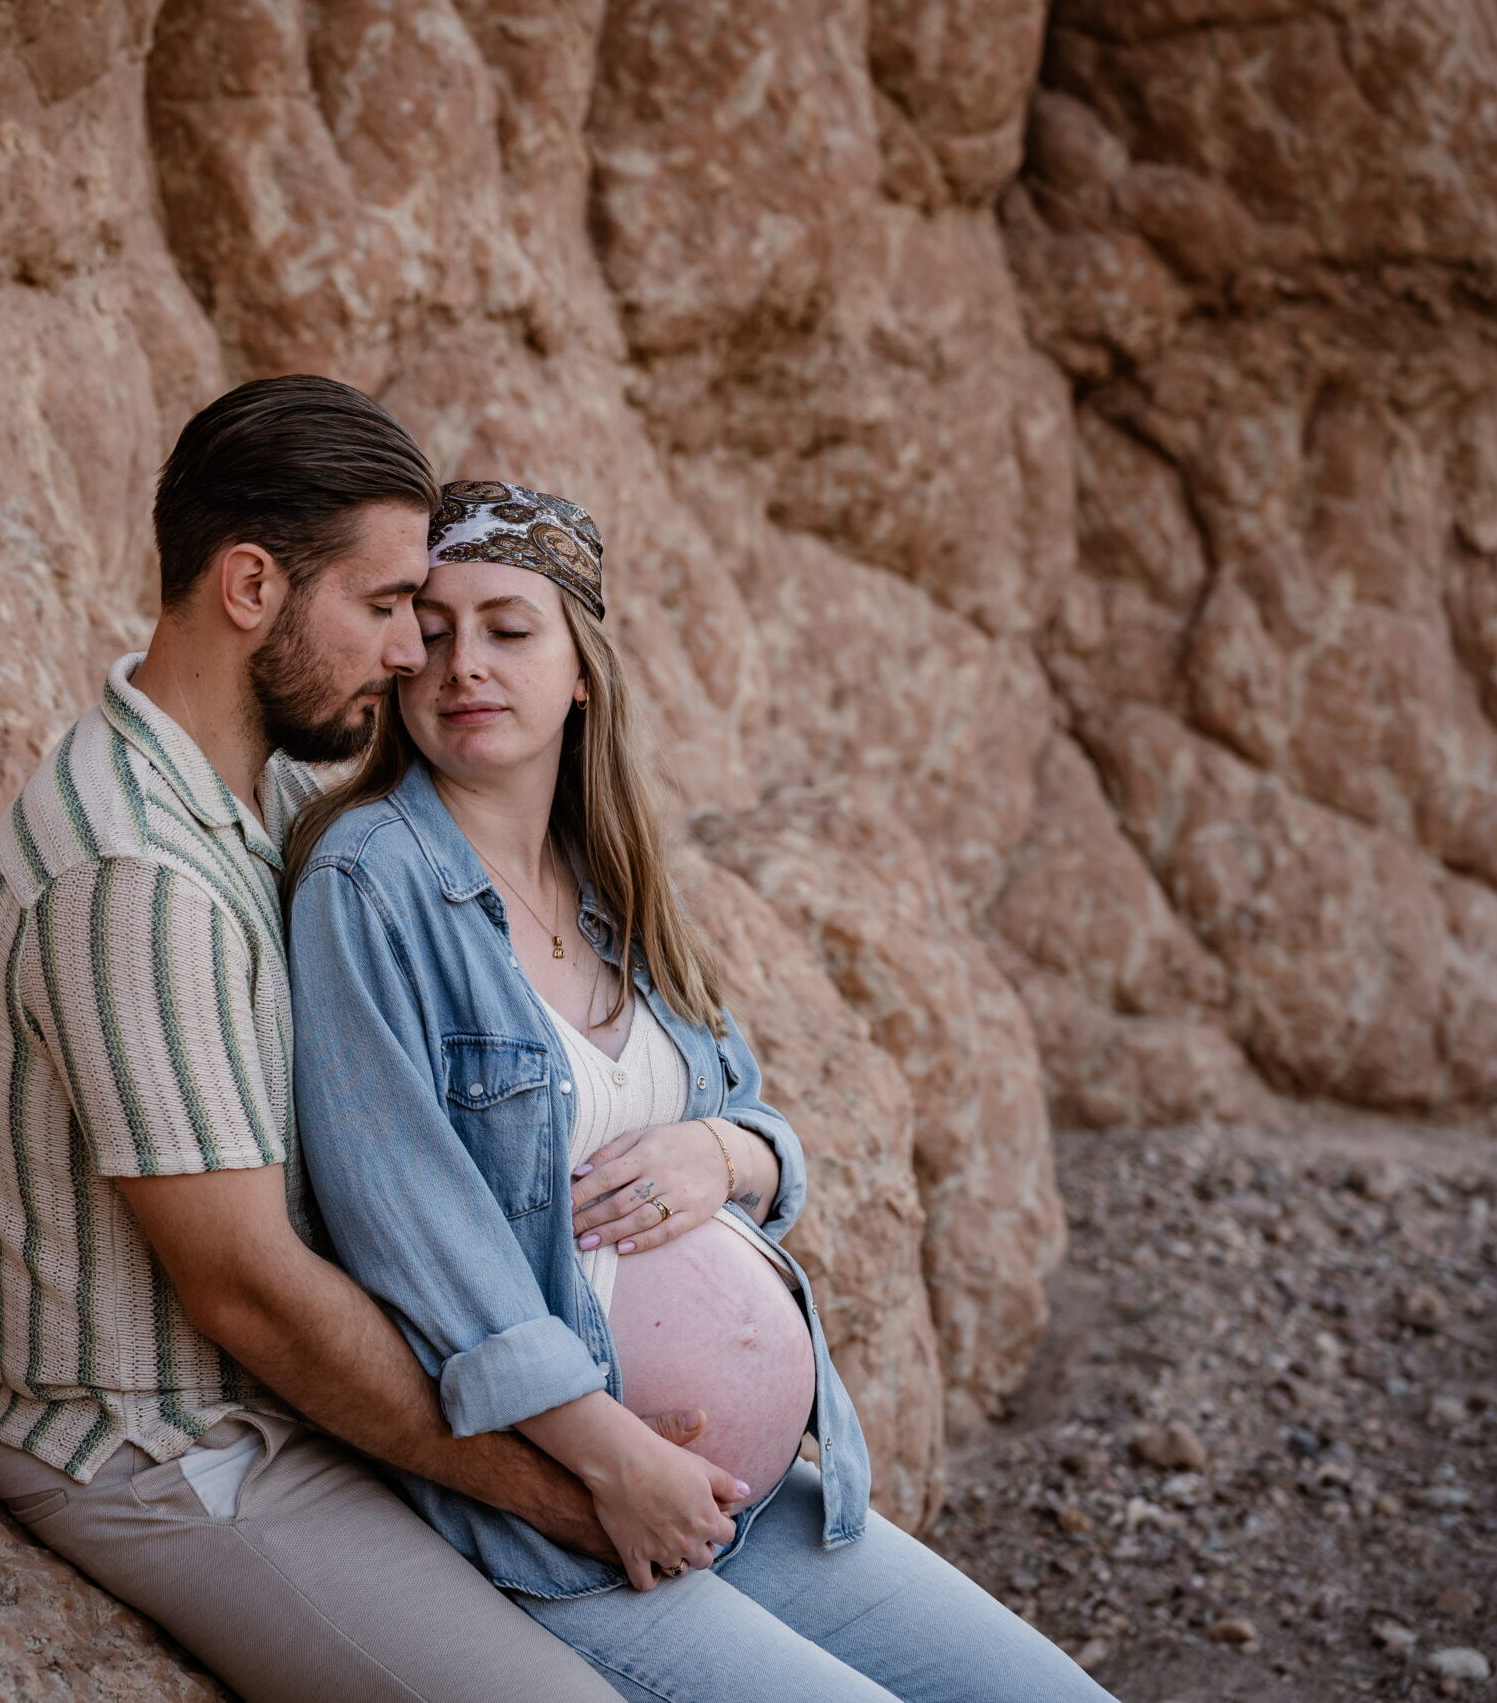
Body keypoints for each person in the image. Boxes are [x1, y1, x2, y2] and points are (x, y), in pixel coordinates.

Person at [285, 481, 1121, 1702]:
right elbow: (413, 1235)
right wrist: (613, 1463)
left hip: (763, 1494)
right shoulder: (369, 885)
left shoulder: (616, 876)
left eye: (510, 629)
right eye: (433, 626)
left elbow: (762, 1126)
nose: (463, 664)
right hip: (567, 1510)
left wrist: (726, 1158)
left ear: (581, 668)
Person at [0, 381, 645, 1703]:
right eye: (387, 607)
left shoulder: (258, 787)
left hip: (308, 1408)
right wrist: (557, 1483)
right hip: (184, 1449)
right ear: (252, 585)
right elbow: (245, 1288)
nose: (412, 655)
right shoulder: (131, 871)